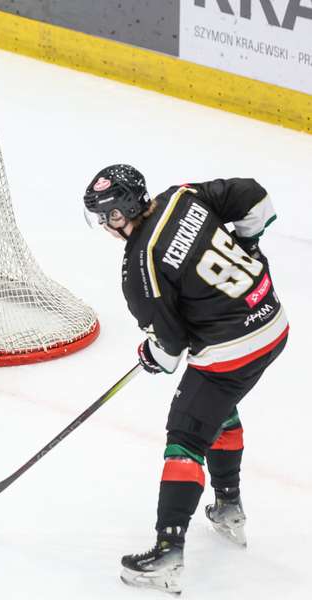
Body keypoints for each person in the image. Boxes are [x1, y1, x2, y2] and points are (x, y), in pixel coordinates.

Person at [82, 165, 287, 594]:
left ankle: (167, 553)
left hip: (233, 350)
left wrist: (150, 353)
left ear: (123, 213)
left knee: (186, 436)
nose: (106, 226)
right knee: (215, 405)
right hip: (273, 321)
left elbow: (171, 351)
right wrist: (248, 245)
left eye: (109, 217)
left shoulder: (139, 266)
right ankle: (228, 507)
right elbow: (254, 196)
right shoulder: (182, 195)